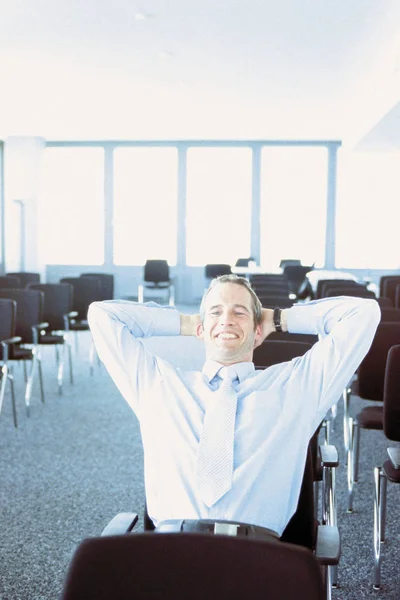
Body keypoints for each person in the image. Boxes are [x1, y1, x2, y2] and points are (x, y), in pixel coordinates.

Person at [88, 274, 380, 540]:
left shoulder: (296, 387)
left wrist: (278, 318)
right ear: (201, 328)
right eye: (216, 311)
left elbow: (363, 314)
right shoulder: (158, 384)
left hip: (259, 558)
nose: (227, 319)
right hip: (172, 552)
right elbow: (102, 316)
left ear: (258, 330)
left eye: (240, 312)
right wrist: (190, 323)